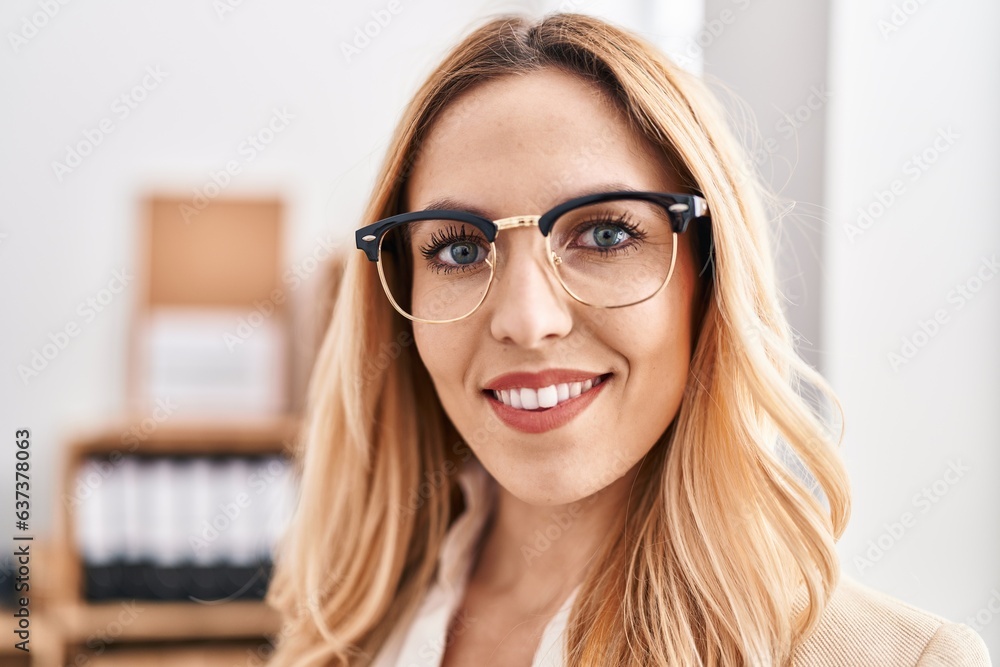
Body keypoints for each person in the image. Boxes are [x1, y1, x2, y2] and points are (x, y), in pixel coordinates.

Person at [266, 12, 992, 666]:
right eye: (459, 249)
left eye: (605, 234)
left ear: (708, 276)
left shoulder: (899, 659)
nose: (526, 319)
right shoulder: (346, 625)